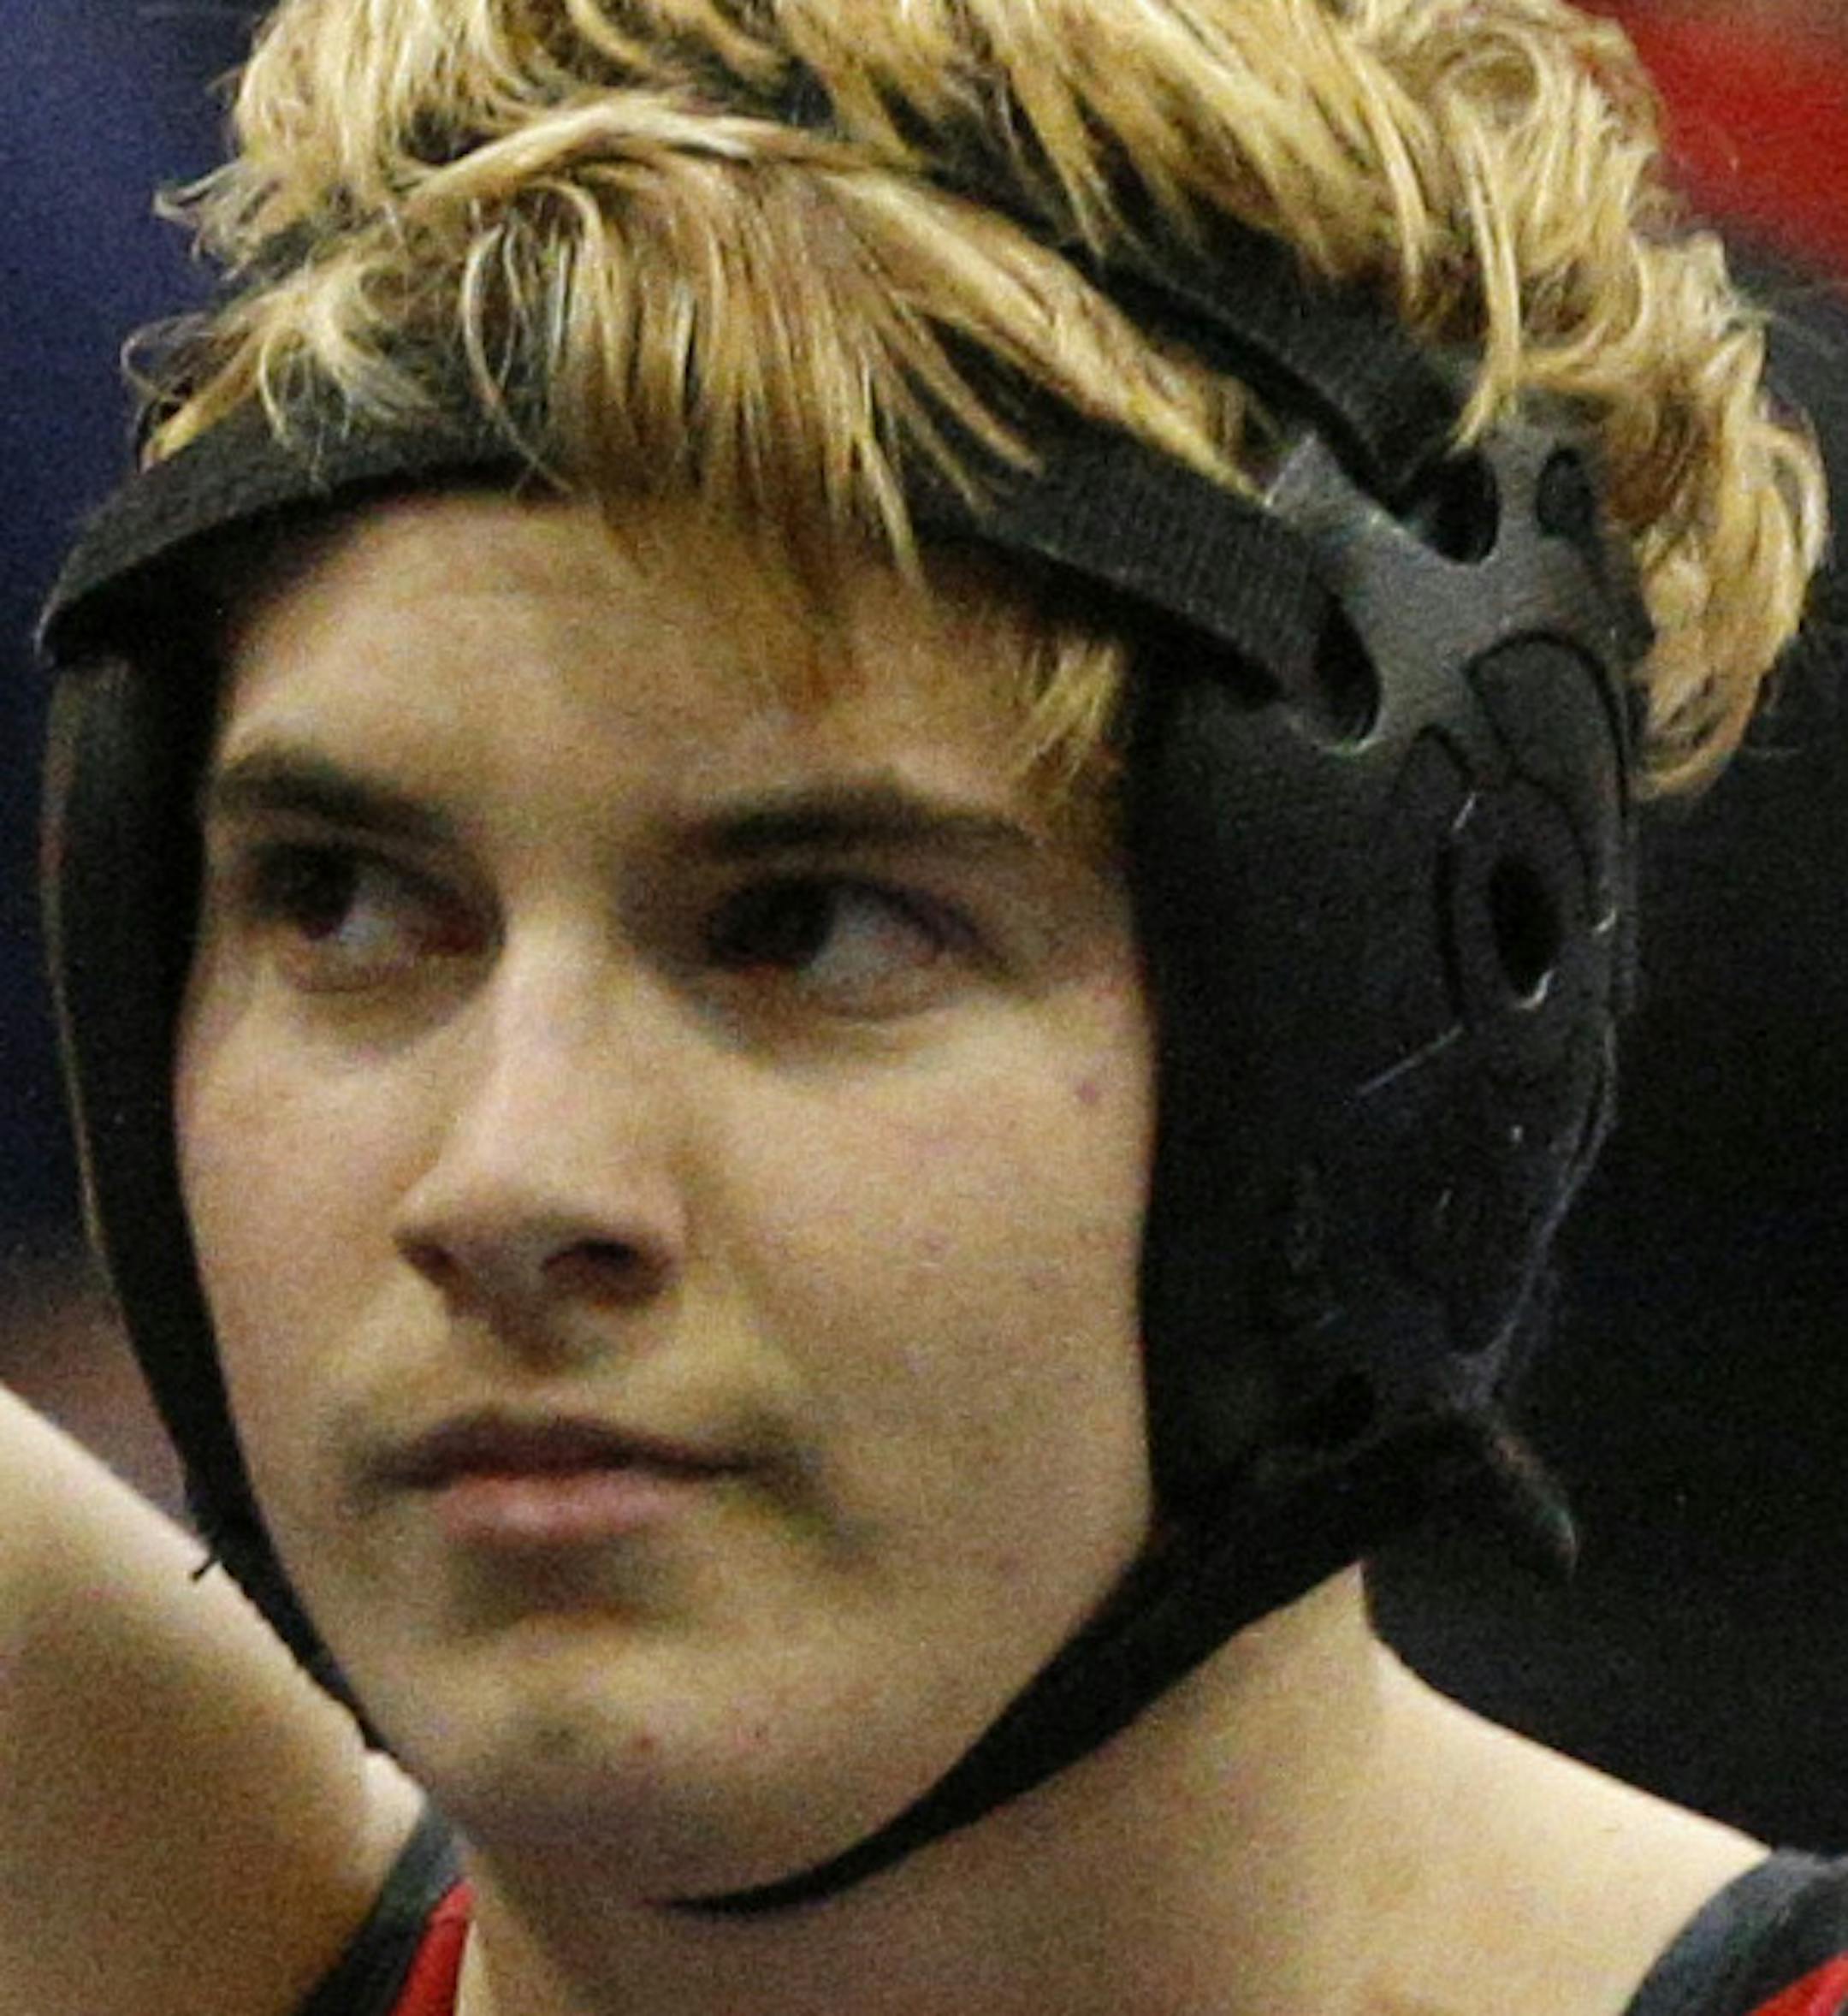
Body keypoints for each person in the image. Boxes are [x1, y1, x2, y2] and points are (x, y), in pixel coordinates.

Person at [14, 1, 1836, 2013]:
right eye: (347, 901)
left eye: (813, 929)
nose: (512, 1177)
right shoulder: (136, 1897)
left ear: (1391, 1054)